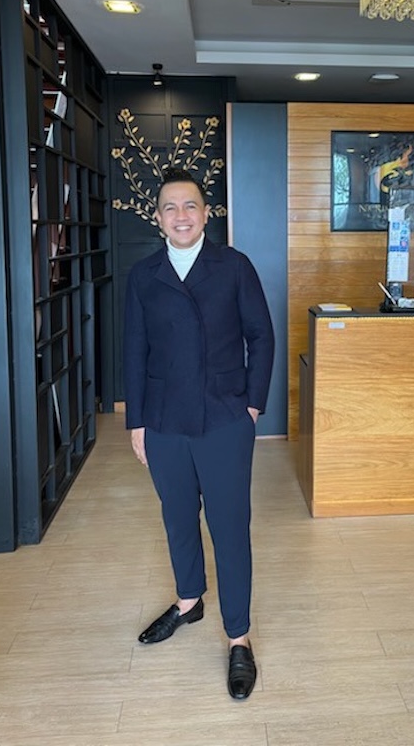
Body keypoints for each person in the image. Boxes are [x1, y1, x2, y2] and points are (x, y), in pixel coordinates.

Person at [123, 168, 274, 700]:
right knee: (178, 517)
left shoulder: (233, 266)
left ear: (206, 214)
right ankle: (189, 601)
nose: (181, 215)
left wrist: (252, 405)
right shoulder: (144, 276)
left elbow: (261, 335)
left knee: (230, 529)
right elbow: (134, 350)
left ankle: (239, 637)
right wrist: (136, 422)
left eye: (190, 205)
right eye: (170, 207)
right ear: (158, 217)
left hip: (225, 418)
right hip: (164, 421)